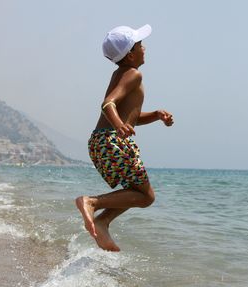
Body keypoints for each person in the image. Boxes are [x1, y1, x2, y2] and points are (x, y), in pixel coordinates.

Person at [76, 24, 174, 252]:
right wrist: (119, 126)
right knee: (146, 197)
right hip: (113, 141)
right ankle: (92, 203)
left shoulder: (120, 74)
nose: (144, 48)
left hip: (100, 141)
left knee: (134, 192)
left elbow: (132, 117)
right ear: (131, 54)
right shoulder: (134, 75)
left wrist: (156, 115)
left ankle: (102, 221)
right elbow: (108, 104)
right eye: (140, 45)